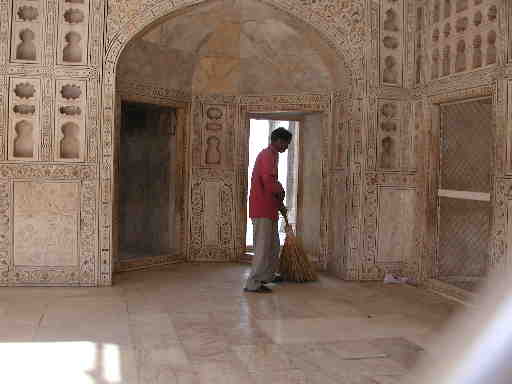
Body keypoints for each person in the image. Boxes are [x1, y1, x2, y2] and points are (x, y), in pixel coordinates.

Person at [244, 127, 292, 293]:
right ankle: (253, 283)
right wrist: (280, 191)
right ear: (279, 140)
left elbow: (271, 183)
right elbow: (268, 181)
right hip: (262, 208)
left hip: (269, 207)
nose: (287, 147)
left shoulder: (273, 155)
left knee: (273, 245)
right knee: (263, 247)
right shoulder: (266, 155)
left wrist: (279, 202)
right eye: (286, 143)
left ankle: (267, 275)